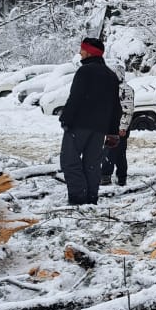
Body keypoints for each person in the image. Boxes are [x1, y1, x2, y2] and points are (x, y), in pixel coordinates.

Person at [59, 37, 122, 205]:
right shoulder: (111, 75)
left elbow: (75, 98)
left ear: (90, 52)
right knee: (92, 165)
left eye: (82, 50)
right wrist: (113, 132)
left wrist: (65, 119)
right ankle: (91, 199)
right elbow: (116, 106)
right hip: (100, 128)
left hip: (79, 125)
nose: (80, 53)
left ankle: (79, 199)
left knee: (69, 161)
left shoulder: (84, 71)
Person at [100, 60, 135, 186]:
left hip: (119, 127)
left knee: (110, 151)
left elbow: (127, 110)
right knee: (119, 153)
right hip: (112, 126)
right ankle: (121, 177)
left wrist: (123, 127)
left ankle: (106, 176)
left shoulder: (125, 90)